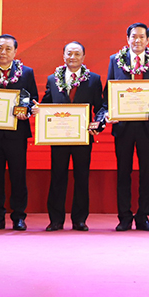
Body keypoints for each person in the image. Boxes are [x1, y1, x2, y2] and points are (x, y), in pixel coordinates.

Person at [0, 34, 38, 231]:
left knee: (18, 177)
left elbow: (32, 99)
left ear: (15, 52)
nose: (3, 52)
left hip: (16, 134)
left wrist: (27, 112)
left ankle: (19, 217)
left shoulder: (26, 73)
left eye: (8, 49)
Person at [106, 23, 149, 232]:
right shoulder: (115, 60)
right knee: (124, 172)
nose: (137, 40)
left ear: (148, 40)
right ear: (127, 38)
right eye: (133, 36)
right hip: (123, 127)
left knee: (146, 172)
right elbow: (109, 90)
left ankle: (143, 216)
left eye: (141, 37)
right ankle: (124, 216)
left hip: (147, 126)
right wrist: (109, 112)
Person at [41, 41, 103, 232]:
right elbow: (46, 104)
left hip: (83, 137)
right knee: (57, 177)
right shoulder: (53, 79)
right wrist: (38, 110)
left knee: (81, 177)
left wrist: (98, 123)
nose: (73, 57)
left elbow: (101, 108)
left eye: (77, 54)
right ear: (63, 56)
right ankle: (56, 220)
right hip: (58, 137)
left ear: (83, 57)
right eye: (69, 53)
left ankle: (79, 220)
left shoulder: (93, 79)